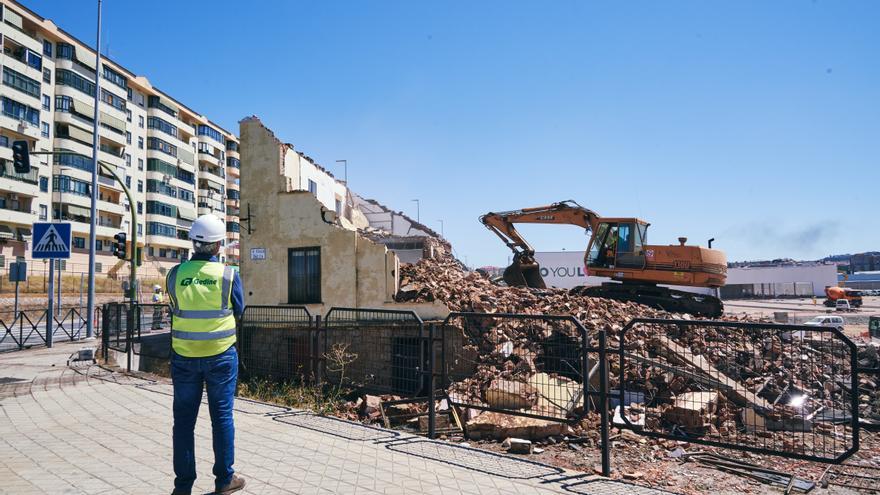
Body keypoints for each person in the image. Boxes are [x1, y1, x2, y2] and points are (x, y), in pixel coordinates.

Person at [166, 214, 245, 495]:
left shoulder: (175, 274)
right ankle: (224, 479)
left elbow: (174, 308)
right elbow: (239, 311)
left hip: (184, 357)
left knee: (183, 422)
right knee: (221, 417)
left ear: (193, 242)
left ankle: (183, 486)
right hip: (221, 356)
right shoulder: (228, 275)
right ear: (218, 245)